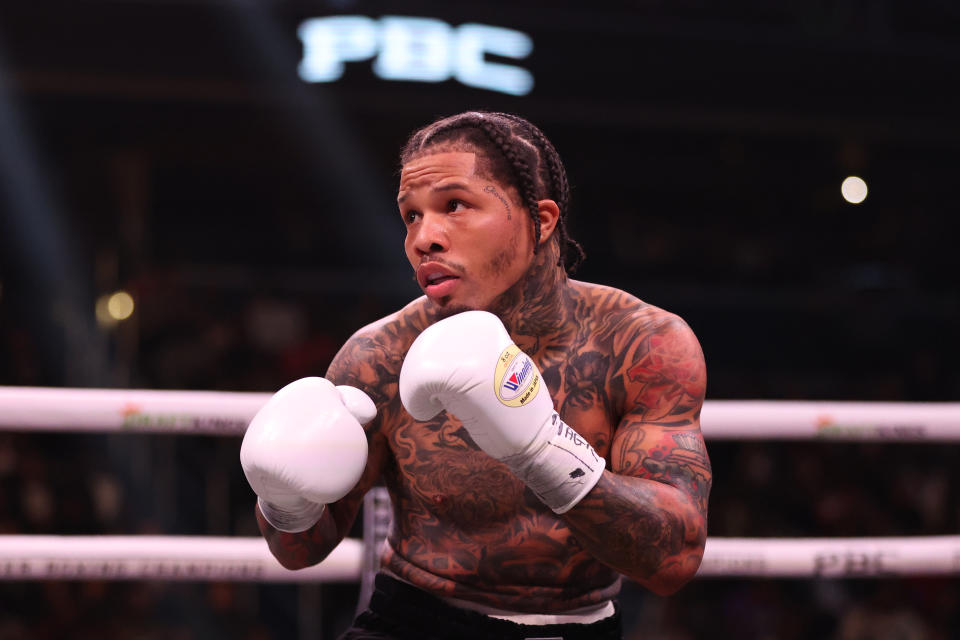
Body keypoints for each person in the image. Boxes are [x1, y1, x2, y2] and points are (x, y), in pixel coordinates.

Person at [240, 111, 712, 639]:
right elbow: (301, 553)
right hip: (411, 624)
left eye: (454, 205)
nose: (424, 239)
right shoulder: (379, 356)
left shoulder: (639, 344)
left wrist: (544, 449)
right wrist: (283, 501)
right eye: (411, 216)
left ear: (543, 220)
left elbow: (674, 559)